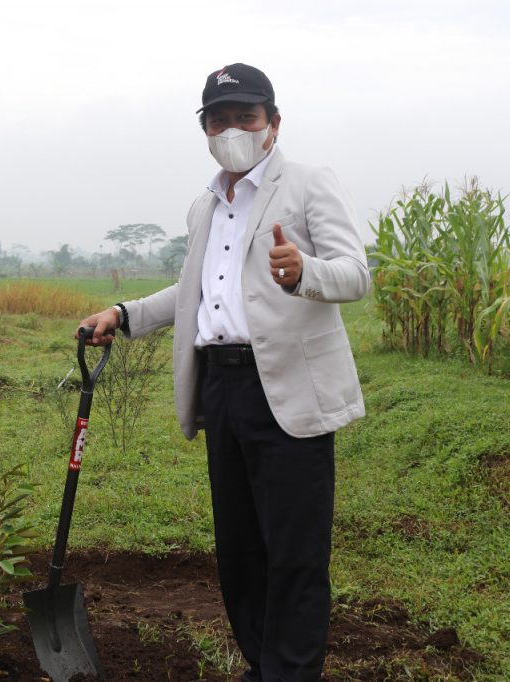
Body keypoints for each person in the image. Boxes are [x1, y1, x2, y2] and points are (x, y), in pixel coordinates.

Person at [79, 64, 369, 681]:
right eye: (219, 119)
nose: (233, 129)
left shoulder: (309, 184)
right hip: (222, 386)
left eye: (246, 116)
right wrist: (123, 314)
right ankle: (262, 666)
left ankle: (291, 674)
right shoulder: (205, 206)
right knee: (239, 550)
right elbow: (192, 291)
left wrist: (305, 271)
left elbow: (355, 273)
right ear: (205, 129)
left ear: (273, 123)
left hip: (288, 387)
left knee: (294, 552)